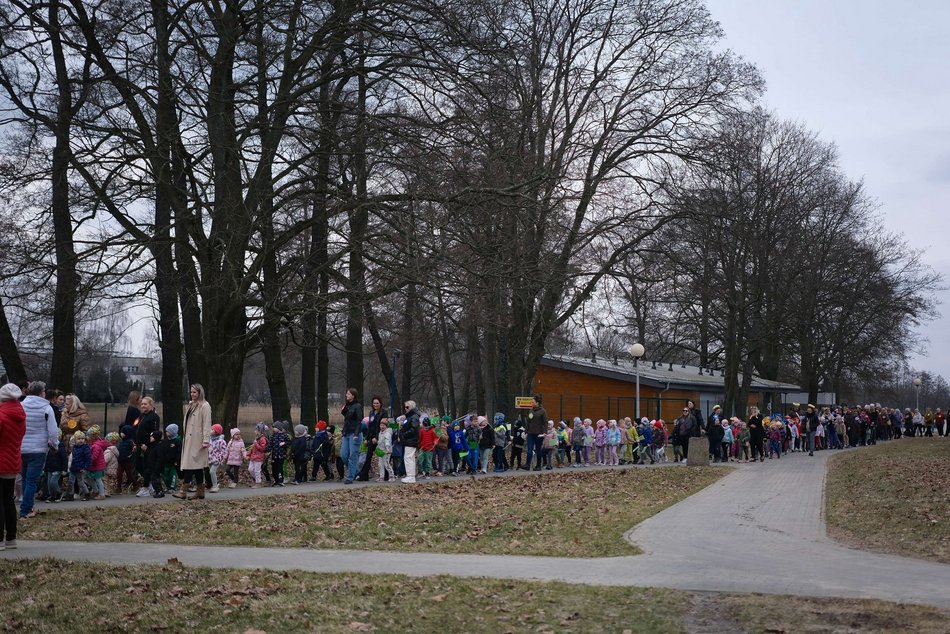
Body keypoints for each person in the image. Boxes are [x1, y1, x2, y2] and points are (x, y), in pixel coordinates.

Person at [20, 381, 58, 518]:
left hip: (22, 447)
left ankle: (27, 505)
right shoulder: (47, 408)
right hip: (38, 448)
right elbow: (53, 431)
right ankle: (26, 510)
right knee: (31, 480)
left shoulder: (21, 406)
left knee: (24, 478)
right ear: (41, 392)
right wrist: (55, 445)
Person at [0, 384, 26, 550]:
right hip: (13, 461)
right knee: (8, 500)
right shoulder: (21, 415)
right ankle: (11, 538)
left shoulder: (1, 415)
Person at [176, 384, 212, 500]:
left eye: (195, 392)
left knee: (190, 464)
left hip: (198, 440)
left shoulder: (205, 406)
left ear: (200, 393)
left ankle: (183, 490)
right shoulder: (191, 405)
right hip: (189, 439)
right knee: (197, 465)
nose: (192, 394)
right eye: (191, 392)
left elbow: (207, 423)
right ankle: (200, 491)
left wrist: (206, 440)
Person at [134, 397, 161, 496]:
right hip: (138, 445)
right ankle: (149, 484)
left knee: (147, 466)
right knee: (138, 465)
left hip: (148, 446)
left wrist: (147, 444)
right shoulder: (141, 416)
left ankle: (146, 487)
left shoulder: (154, 417)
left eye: (145, 404)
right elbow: (136, 429)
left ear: (151, 405)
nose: (143, 406)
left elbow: (155, 433)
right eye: (142, 404)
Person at [357, 397, 385, 482]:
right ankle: (364, 475)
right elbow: (370, 426)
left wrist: (376, 437)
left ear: (380, 404)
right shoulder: (371, 413)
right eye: (374, 403)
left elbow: (383, 426)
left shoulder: (384, 413)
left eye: (377, 403)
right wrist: (366, 438)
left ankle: (386, 474)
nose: (375, 405)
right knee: (368, 457)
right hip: (371, 437)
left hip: (380, 437)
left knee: (381, 456)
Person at [339, 388, 364, 485]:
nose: (346, 395)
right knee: (343, 455)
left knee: (353, 455)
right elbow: (347, 419)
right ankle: (357, 471)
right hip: (347, 433)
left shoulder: (358, 406)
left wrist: (356, 434)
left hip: (355, 433)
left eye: (348, 394)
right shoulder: (348, 406)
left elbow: (359, 421)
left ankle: (350, 477)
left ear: (353, 396)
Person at [64, 431, 92, 501]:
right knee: (71, 481)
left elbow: (88, 459)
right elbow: (73, 458)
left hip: (80, 468)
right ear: (75, 440)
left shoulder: (85, 448)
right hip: (73, 468)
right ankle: (70, 495)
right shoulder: (74, 448)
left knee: (81, 482)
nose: (81, 440)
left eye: (83, 438)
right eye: (79, 439)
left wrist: (85, 467)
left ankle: (87, 494)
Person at [522, 395, 547, 471]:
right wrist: (526, 431)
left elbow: (545, 422)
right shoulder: (531, 410)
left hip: (539, 434)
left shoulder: (543, 411)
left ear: (537, 403)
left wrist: (545, 432)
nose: (531, 403)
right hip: (530, 433)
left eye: (533, 402)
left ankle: (538, 466)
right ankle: (527, 465)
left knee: (538, 450)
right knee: (529, 450)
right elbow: (528, 422)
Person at [399, 400, 420, 483]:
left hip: (411, 440)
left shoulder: (414, 417)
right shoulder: (410, 417)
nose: (405, 408)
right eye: (405, 407)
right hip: (409, 440)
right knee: (409, 457)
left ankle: (411, 476)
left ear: (412, 407)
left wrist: (404, 434)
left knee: (408, 458)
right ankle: (410, 475)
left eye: (407, 407)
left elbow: (414, 429)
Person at [207, 424, 228, 492]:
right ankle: (213, 484)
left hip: (217, 459)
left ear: (216, 431)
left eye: (212, 429)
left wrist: (221, 458)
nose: (210, 430)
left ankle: (215, 486)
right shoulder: (210, 440)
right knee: (210, 472)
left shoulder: (221, 441)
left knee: (212, 471)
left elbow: (224, 450)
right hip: (210, 458)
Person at [376, 417, 396, 482]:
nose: (382, 427)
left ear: (386, 426)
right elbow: (380, 441)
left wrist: (387, 448)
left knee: (386, 464)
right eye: (381, 425)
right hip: (380, 450)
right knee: (380, 464)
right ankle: (382, 477)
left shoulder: (387, 433)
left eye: (383, 425)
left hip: (386, 450)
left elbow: (387, 441)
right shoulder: (380, 432)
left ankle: (392, 476)